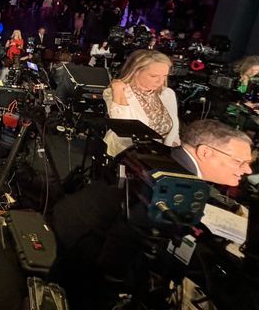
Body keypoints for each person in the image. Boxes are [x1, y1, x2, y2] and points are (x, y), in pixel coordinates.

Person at [51, 120, 253, 309]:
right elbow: (123, 238)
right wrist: (110, 294)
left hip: (70, 219)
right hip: (83, 253)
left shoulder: (163, 153)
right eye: (240, 161)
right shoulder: (178, 186)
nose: (247, 169)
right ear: (206, 152)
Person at [103, 49, 180, 157]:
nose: (160, 81)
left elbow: (173, 130)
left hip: (160, 157)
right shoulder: (116, 92)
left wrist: (175, 151)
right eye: (154, 76)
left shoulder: (167, 93)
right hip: (125, 155)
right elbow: (124, 128)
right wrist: (118, 90)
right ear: (135, 72)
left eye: (164, 76)